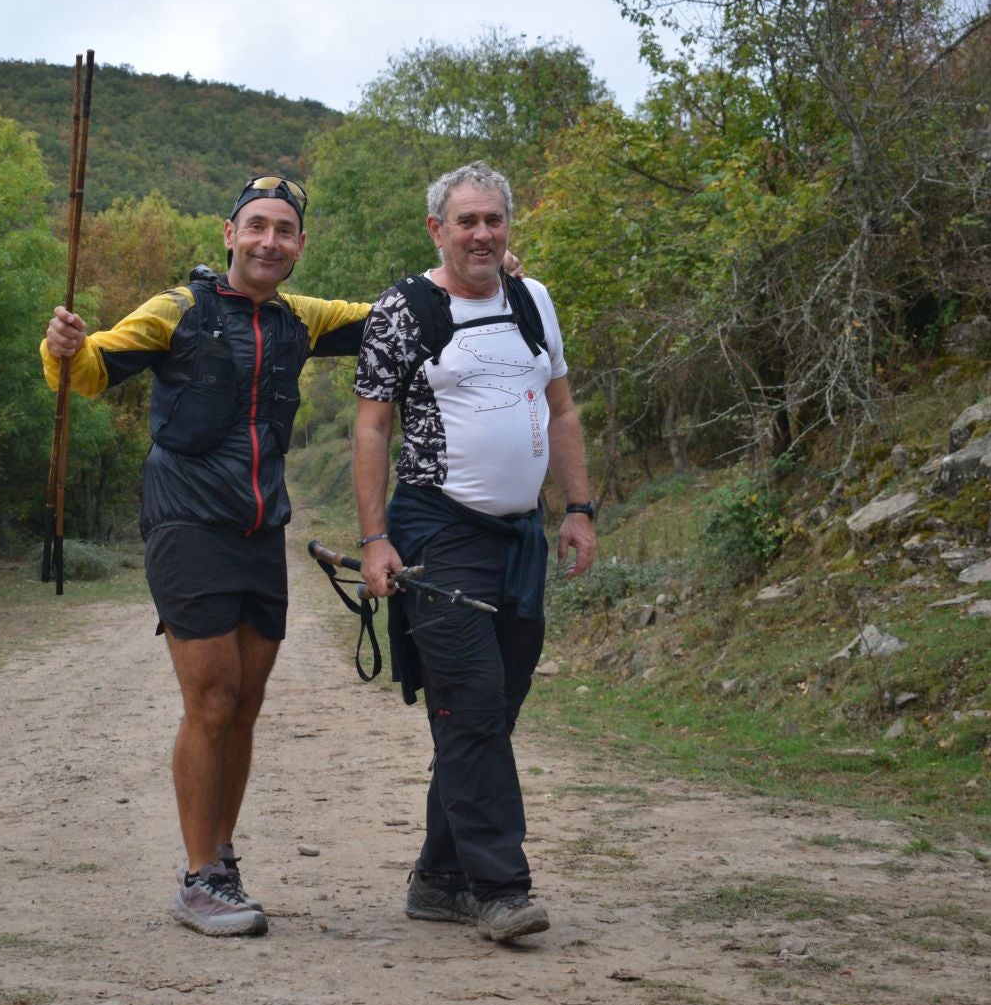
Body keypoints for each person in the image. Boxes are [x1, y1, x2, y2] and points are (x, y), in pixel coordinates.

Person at [40, 175, 368, 938]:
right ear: (229, 233)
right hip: (187, 522)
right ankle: (197, 879)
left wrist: (482, 273)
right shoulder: (176, 312)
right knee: (213, 699)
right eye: (256, 226)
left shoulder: (302, 319)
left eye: (284, 231)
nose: (269, 242)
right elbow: (90, 370)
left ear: (300, 246)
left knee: (246, 704)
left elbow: (393, 316)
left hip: (261, 529)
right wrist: (62, 349)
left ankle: (220, 859)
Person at [351, 160, 598, 944]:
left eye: (494, 219)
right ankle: (500, 890)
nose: (483, 233)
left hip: (521, 536)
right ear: (438, 229)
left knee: (491, 712)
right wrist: (375, 538)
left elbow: (560, 409)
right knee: (475, 707)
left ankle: (437, 878)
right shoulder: (403, 312)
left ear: (507, 225)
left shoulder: (533, 300)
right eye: (467, 221)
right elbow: (371, 428)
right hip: (436, 532)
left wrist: (579, 508)